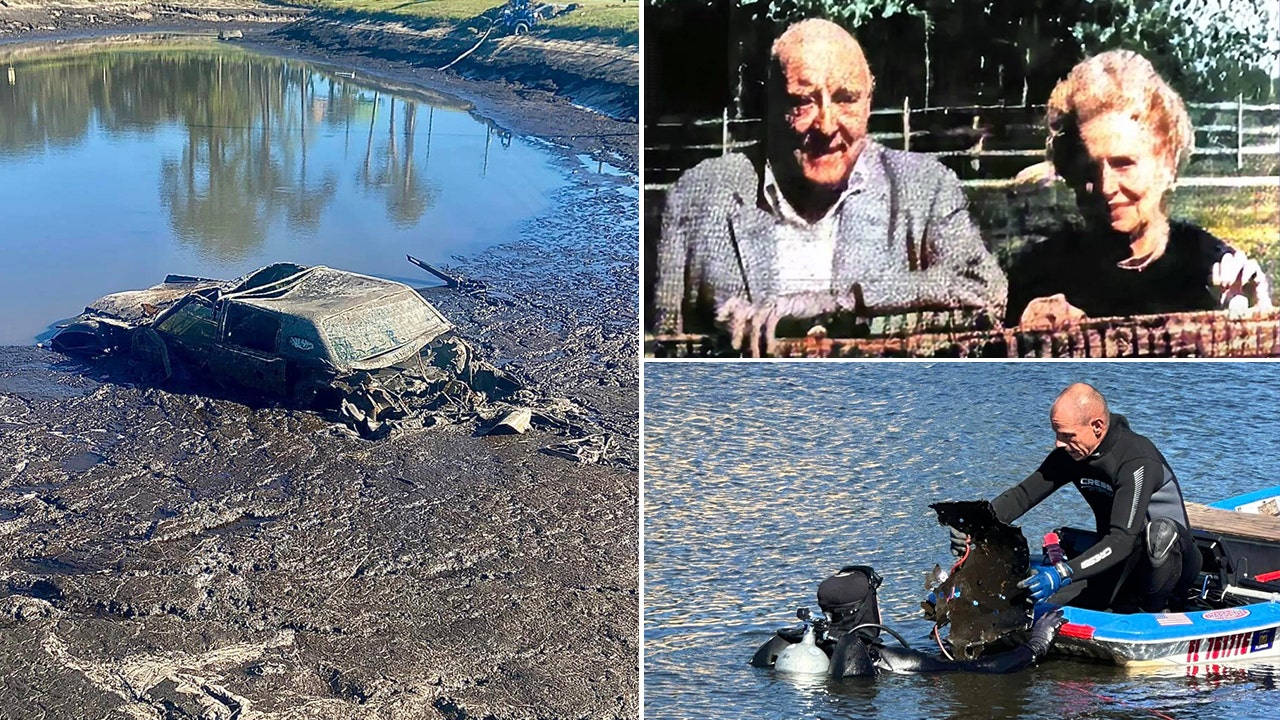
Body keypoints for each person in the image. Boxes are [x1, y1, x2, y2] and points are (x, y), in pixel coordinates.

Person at [652, 18, 1007, 354]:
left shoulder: (923, 187)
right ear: (771, 105)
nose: (825, 125)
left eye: (846, 99)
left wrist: (842, 302)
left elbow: (985, 291)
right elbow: (662, 347)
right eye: (803, 101)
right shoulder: (697, 196)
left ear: (868, 102)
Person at [1006, 50, 1272, 328]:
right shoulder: (1039, 276)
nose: (1105, 187)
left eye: (1123, 164)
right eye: (1088, 169)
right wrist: (1024, 334)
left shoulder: (1212, 271)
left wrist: (1255, 321)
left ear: (1167, 164)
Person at [954, 383, 1202, 613]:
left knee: (1159, 534)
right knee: (1032, 590)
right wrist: (974, 526)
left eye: (1067, 435)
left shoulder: (1136, 459)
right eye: (1056, 434)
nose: (1059, 444)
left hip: (1170, 567)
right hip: (1117, 560)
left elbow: (1122, 539)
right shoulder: (1072, 454)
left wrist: (1063, 572)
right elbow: (1023, 496)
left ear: (1097, 427)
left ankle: (1157, 611)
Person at [750, 566, 1065, 677]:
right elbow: (979, 672)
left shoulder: (811, 640)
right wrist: (1036, 644)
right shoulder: (884, 658)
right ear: (866, 609)